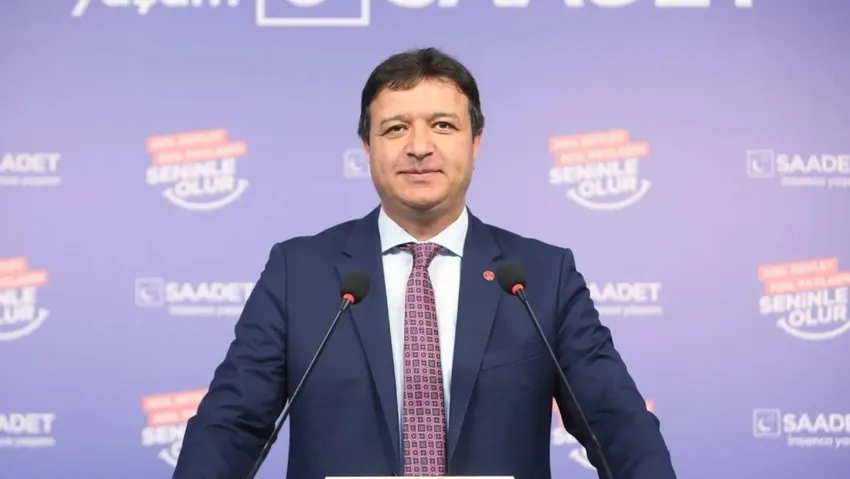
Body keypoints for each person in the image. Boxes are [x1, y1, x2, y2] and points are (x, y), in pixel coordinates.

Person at [173, 47, 677, 479]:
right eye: (395, 128)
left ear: (475, 142)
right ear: (367, 147)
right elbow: (231, 424)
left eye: (442, 125)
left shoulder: (542, 277)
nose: (419, 147)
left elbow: (617, 423)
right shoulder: (298, 272)